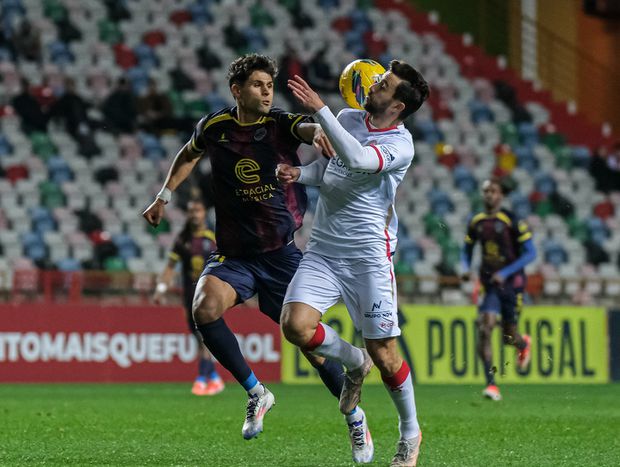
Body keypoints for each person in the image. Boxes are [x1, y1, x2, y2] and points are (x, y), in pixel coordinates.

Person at [142, 54, 371, 459]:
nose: (267, 93)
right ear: (237, 90)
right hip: (234, 255)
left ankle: (355, 418)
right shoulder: (215, 127)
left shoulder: (279, 123)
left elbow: (306, 127)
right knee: (204, 308)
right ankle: (256, 392)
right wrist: (163, 196)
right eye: (258, 85)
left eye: (270, 86)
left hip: (280, 256)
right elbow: (188, 153)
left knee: (312, 349)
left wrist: (321, 129)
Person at [278, 61, 429, 466]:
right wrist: (300, 173)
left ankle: (410, 433)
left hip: (368, 259)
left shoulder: (401, 144)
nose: (373, 83)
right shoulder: (348, 118)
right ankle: (353, 361)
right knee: (295, 325)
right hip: (324, 251)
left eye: (384, 84)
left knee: (386, 354)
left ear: (397, 106)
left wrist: (319, 108)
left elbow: (360, 159)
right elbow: (333, 169)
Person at [460, 177, 536, 401]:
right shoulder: (476, 221)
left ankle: (523, 343)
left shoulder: (512, 220)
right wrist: (465, 267)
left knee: (508, 337)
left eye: (493, 191)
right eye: (486, 191)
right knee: (485, 328)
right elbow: (467, 249)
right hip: (490, 285)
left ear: (501, 195)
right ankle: (491, 384)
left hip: (513, 284)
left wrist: (505, 272)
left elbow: (531, 253)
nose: (489, 195)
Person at [153, 198, 224, 396]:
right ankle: (214, 378)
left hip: (209, 295)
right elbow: (170, 267)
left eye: (198, 210)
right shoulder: (182, 239)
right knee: (200, 338)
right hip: (189, 296)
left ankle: (201, 379)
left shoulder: (213, 238)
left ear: (204, 213)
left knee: (203, 336)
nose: (195, 215)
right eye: (191, 211)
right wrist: (161, 288)